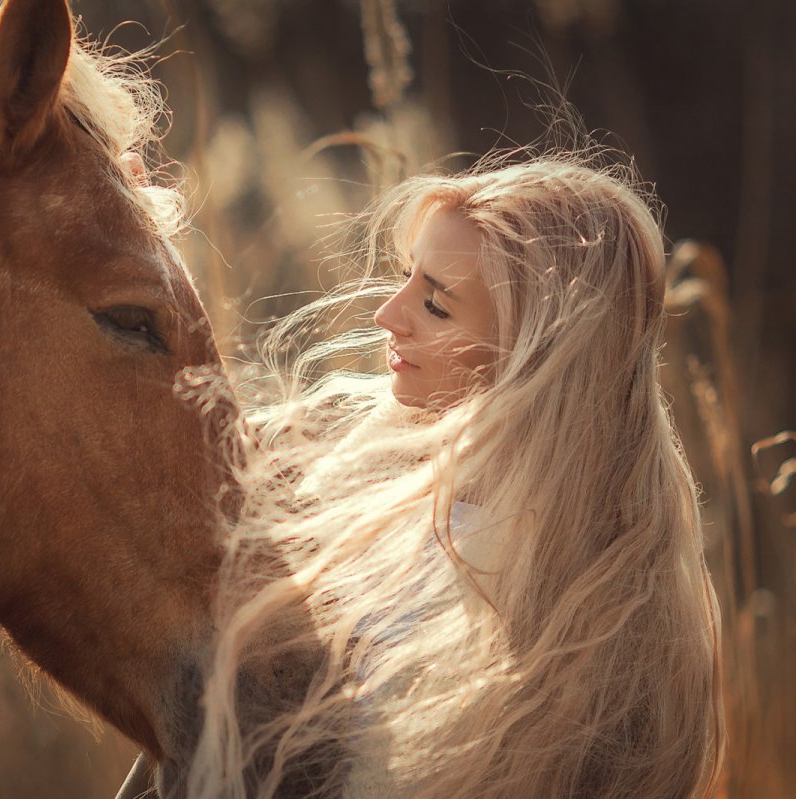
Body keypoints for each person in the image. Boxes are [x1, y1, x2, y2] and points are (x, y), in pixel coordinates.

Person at [181, 146, 725, 799]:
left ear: (533, 354)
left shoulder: (493, 576)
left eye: (436, 304)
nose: (388, 315)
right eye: (407, 277)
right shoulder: (412, 498)